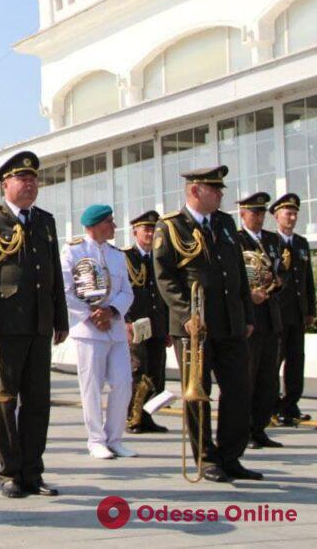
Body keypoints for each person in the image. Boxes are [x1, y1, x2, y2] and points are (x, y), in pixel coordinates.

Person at [0, 150, 68, 498]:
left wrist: (60, 318)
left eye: (34, 179)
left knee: (38, 401)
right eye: (22, 179)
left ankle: (33, 472)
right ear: (5, 184)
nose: (30, 184)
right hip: (5, 325)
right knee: (6, 400)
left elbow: (53, 273)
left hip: (39, 323)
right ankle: (11, 471)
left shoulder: (44, 220)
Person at [153, 165, 260, 483]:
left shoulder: (225, 224)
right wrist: (187, 315)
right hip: (194, 326)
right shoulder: (171, 226)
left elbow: (238, 273)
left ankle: (231, 455)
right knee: (198, 393)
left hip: (229, 321)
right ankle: (205, 456)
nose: (220, 194)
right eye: (214, 190)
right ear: (195, 191)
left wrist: (248, 316)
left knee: (239, 389)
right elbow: (165, 278)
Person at [62, 204, 136, 460]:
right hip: (88, 330)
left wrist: (111, 311)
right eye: (109, 221)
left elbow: (127, 291)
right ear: (94, 225)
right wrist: (92, 314)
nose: (113, 226)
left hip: (114, 328)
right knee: (91, 386)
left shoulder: (117, 255)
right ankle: (96, 440)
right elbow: (66, 290)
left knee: (123, 384)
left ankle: (115, 438)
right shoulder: (73, 251)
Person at [236, 192, 284, 449]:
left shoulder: (273, 240)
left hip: (270, 316)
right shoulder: (236, 239)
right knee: (249, 377)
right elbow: (235, 276)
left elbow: (281, 271)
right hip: (250, 318)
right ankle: (245, 430)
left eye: (262, 213)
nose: (259, 217)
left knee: (268, 379)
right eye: (254, 212)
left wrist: (277, 281)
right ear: (242, 213)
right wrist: (250, 293)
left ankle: (260, 428)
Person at [122, 210, 170, 435]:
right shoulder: (125, 257)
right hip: (136, 323)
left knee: (156, 373)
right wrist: (125, 321)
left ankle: (148, 417)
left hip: (158, 323)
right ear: (135, 232)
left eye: (153, 229)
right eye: (146, 229)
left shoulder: (161, 257)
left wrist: (170, 326)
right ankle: (133, 417)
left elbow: (166, 294)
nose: (150, 233)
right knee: (137, 370)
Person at [269, 193, 315, 427]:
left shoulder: (301, 243)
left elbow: (307, 281)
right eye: (288, 213)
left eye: (295, 213)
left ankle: (291, 405)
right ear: (277, 216)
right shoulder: (270, 243)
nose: (293, 217)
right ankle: (271, 406)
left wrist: (311, 310)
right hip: (277, 314)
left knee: (296, 362)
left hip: (297, 313)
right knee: (274, 361)